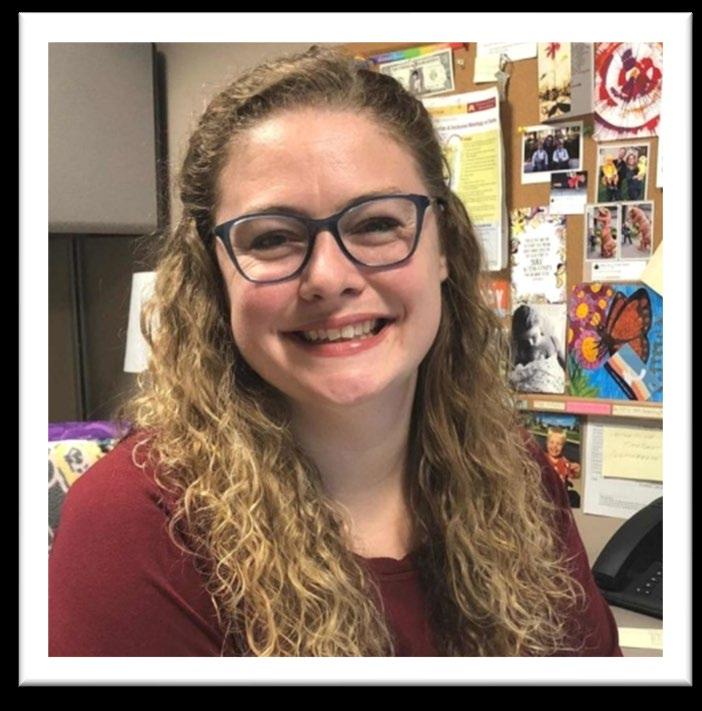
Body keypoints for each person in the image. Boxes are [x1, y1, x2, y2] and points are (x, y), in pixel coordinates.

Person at [49, 45, 622, 657]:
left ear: (444, 250)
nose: (328, 277)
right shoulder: (137, 528)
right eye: (272, 237)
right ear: (214, 278)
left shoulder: (516, 474)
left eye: (376, 224)